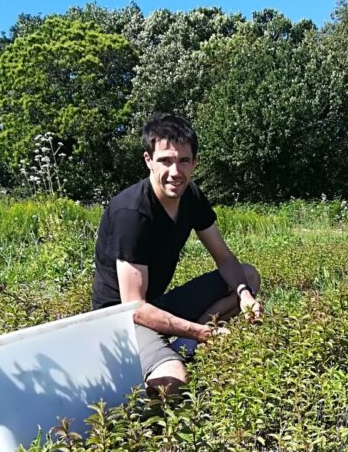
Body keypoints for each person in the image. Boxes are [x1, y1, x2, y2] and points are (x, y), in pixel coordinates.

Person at [91, 113, 262, 395]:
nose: (175, 171)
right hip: (120, 320)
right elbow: (134, 307)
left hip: (157, 304)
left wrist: (244, 295)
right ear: (148, 160)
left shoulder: (191, 196)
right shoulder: (131, 213)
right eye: (165, 161)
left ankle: (185, 345)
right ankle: (181, 348)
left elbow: (225, 259)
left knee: (248, 275)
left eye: (184, 161)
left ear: (195, 162)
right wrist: (201, 330)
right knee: (172, 382)